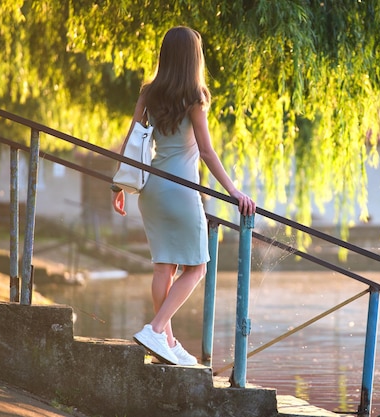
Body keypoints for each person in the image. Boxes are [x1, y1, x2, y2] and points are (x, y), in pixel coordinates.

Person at [111, 26, 255, 366]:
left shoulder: (149, 92)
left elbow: (132, 140)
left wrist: (118, 185)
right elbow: (206, 151)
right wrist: (234, 192)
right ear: (194, 58)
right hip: (181, 190)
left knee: (165, 267)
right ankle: (157, 329)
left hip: (152, 190)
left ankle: (167, 342)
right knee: (198, 268)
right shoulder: (195, 97)